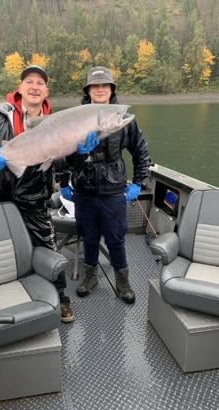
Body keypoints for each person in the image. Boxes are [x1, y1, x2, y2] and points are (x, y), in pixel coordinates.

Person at [0, 65, 75, 323]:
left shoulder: (55, 122)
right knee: (1, 253)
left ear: (47, 91)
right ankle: (8, 302)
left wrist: (75, 154)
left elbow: (58, 163)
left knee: (47, 247)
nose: (34, 86)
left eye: (40, 83)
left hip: (35, 199)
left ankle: (61, 298)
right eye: (29, 81)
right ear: (20, 87)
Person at [60, 66, 150, 304]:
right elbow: (63, 156)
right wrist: (62, 181)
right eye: (95, 86)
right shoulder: (75, 118)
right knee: (89, 237)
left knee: (115, 238)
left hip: (113, 190)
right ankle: (90, 277)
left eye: (105, 85)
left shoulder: (124, 120)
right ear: (88, 90)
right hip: (84, 190)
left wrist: (138, 183)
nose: (100, 89)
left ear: (111, 90)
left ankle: (122, 281)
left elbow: (141, 152)